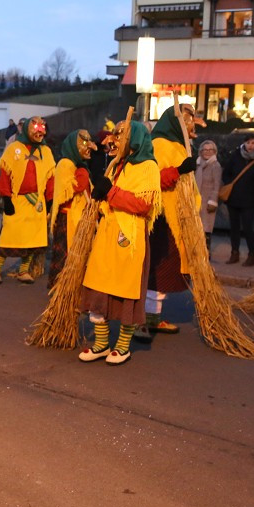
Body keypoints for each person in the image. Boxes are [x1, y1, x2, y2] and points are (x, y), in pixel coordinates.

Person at [79, 121, 161, 365]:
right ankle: (102, 344)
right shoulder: (117, 165)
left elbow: (144, 205)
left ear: (134, 138)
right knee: (99, 287)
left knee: (125, 291)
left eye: (120, 134)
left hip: (129, 238)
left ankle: (122, 347)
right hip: (106, 234)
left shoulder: (148, 167)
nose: (114, 139)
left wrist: (111, 193)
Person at [143, 105, 200, 335]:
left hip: (179, 217)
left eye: (191, 120)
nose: (190, 124)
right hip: (163, 218)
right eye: (185, 120)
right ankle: (149, 317)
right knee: (160, 267)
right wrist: (178, 170)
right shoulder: (158, 144)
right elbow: (152, 179)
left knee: (168, 268)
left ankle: (153, 316)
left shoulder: (181, 146)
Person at [0, 116, 55, 284]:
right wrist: (6, 199)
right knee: (8, 236)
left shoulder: (45, 152)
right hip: (17, 200)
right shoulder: (13, 149)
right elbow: (5, 174)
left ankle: (23, 271)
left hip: (37, 203)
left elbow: (50, 179)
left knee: (32, 240)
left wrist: (49, 201)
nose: (39, 134)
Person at [47, 129, 95, 289]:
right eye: (83, 143)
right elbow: (70, 189)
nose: (89, 146)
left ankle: (71, 289)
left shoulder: (79, 166)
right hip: (67, 219)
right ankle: (61, 289)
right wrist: (82, 174)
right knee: (65, 256)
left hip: (78, 218)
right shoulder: (65, 164)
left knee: (77, 256)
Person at [221, 135, 254, 265]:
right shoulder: (236, 155)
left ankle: (252, 255)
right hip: (234, 197)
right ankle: (235, 253)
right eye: (248, 142)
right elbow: (226, 172)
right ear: (244, 143)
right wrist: (230, 184)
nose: (250, 145)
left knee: (248, 227)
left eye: (253, 143)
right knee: (234, 227)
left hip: (250, 199)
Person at [194, 139, 222, 258]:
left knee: (206, 229)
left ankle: (206, 255)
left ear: (214, 151)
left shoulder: (215, 165)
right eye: (205, 149)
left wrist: (213, 201)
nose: (207, 152)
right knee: (197, 229)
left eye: (210, 150)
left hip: (207, 202)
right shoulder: (198, 164)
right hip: (196, 201)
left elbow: (217, 185)